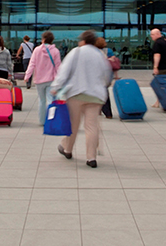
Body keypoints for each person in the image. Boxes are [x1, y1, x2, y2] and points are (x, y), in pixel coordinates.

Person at [52, 30, 113, 168]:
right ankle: (91, 158)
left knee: (73, 124)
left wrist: (56, 86)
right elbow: (106, 75)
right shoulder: (100, 55)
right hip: (96, 95)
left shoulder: (76, 52)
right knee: (91, 126)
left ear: (83, 41)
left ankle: (67, 150)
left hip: (76, 93)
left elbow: (64, 71)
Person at [24, 31, 62, 126]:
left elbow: (32, 64)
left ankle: (42, 121)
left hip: (39, 80)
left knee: (41, 100)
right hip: (51, 80)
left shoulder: (37, 50)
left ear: (44, 40)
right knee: (51, 100)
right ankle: (51, 119)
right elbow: (58, 66)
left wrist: (27, 76)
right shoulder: (55, 51)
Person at [149, 28, 166, 108]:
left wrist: (155, 67)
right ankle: (158, 101)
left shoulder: (157, 43)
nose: (151, 36)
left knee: (159, 85)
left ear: (157, 34)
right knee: (162, 84)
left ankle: (160, 101)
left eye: (152, 34)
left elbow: (157, 55)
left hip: (161, 67)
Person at [95, 37, 113, 119]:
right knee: (105, 93)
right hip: (106, 75)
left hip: (96, 75)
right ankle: (108, 113)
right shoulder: (108, 51)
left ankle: (99, 110)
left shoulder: (93, 52)